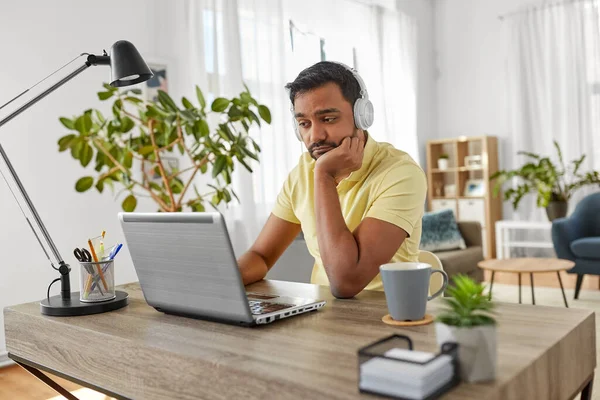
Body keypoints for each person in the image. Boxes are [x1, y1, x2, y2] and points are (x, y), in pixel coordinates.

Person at [237, 61, 427, 298]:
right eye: (304, 124)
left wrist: (324, 176)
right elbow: (261, 256)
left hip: (386, 316)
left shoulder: (401, 173)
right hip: (323, 316)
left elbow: (346, 281)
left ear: (361, 116)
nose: (314, 136)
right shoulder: (302, 173)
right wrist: (217, 284)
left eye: (327, 119)